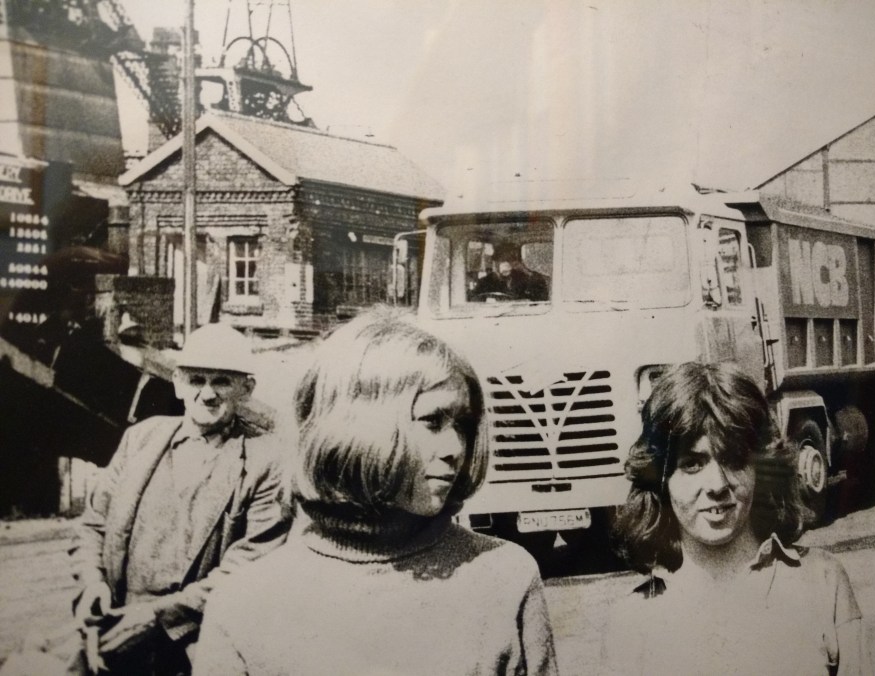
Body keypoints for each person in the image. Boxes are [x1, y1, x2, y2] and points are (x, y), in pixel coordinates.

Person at [193, 306, 558, 675]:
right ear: (356, 427)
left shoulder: (504, 575)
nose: (455, 448)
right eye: (432, 421)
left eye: (462, 425)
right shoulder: (244, 603)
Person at [603, 361, 870, 676]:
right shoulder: (631, 621)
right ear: (661, 480)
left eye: (734, 459)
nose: (717, 485)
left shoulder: (823, 584)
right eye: (692, 463)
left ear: (761, 467)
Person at [69, 322, 290, 675]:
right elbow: (93, 526)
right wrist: (92, 583)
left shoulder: (267, 461)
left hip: (196, 645)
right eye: (196, 380)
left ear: (246, 389)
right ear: (178, 382)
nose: (208, 393)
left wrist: (160, 617)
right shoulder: (140, 439)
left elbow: (248, 570)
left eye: (222, 381)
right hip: (118, 633)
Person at [472, 241, 549, 301]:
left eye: (510, 259)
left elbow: (542, 297)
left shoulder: (525, 278)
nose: (505, 263)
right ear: (495, 262)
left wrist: (525, 271)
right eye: (501, 260)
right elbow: (474, 299)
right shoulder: (486, 282)